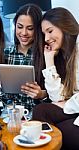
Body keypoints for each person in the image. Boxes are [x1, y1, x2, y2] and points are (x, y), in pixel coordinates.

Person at [32, 7, 79, 149]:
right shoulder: (68, 54)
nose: (46, 38)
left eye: (50, 31)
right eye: (44, 33)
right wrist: (49, 59)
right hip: (75, 107)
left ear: (64, 26)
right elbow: (57, 97)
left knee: (57, 133)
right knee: (40, 111)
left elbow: (64, 101)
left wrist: (67, 105)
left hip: (74, 107)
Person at [3, 3, 47, 114]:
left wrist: (41, 94)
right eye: (20, 27)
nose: (24, 33)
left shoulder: (46, 53)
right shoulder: (6, 53)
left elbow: (59, 92)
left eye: (30, 28)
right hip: (11, 114)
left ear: (37, 29)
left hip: (38, 114)